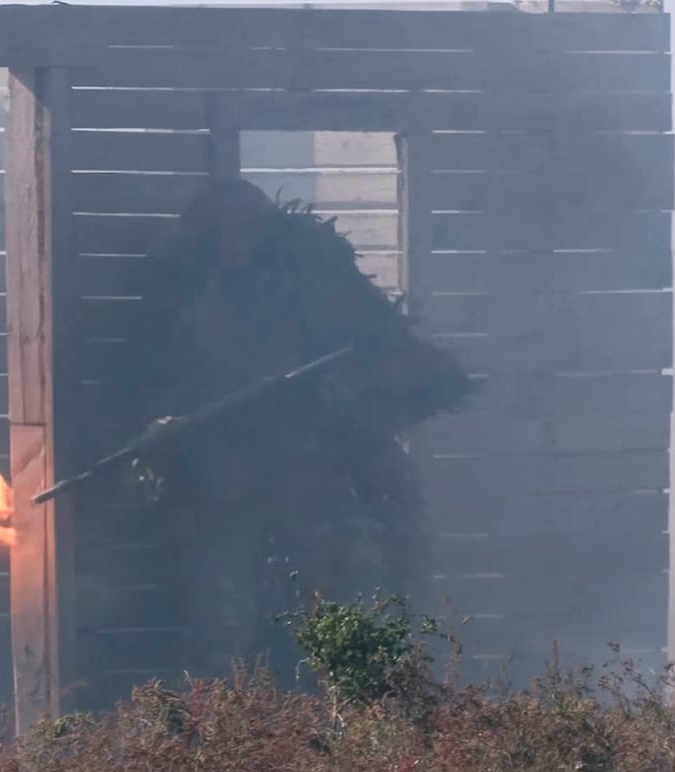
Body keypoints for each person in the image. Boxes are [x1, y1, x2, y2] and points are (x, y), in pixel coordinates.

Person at [114, 177, 473, 681]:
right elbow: (156, 379)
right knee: (220, 627)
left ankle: (363, 728)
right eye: (222, 234)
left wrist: (334, 395)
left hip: (317, 474)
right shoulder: (183, 290)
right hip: (223, 480)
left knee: (353, 611)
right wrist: (163, 433)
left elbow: (392, 359)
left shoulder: (316, 279)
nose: (233, 244)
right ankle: (223, 739)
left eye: (243, 232)